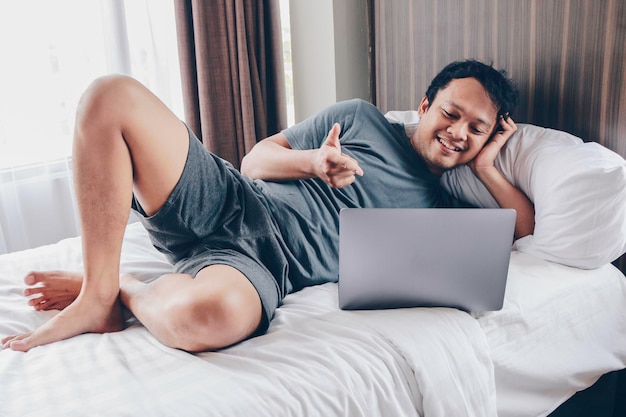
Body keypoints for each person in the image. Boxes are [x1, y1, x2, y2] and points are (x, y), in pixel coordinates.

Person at [2, 59, 534, 353]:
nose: (458, 132)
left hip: (261, 267)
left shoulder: (442, 214)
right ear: (425, 105)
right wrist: (312, 163)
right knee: (109, 93)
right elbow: (255, 160)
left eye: (477, 129)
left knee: (206, 318)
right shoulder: (360, 118)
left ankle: (124, 288)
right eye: (451, 113)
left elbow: (522, 232)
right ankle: (97, 296)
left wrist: (488, 167)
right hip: (229, 198)